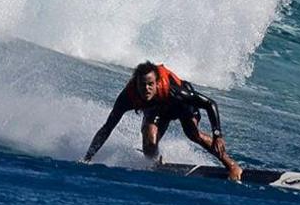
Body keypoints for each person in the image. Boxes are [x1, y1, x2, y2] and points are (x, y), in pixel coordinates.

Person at [81, 61, 242, 181]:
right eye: (142, 85)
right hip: (158, 109)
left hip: (180, 105)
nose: (146, 89)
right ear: (135, 84)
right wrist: (88, 157)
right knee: (149, 142)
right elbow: (107, 128)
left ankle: (232, 166)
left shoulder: (175, 91)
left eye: (150, 84)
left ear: (157, 83)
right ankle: (155, 162)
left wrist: (217, 134)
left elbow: (209, 104)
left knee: (193, 134)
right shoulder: (127, 98)